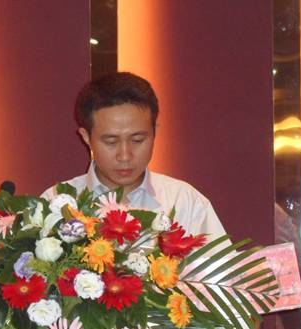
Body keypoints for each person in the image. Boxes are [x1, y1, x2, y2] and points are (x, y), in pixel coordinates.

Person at [42, 72, 226, 240]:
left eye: (137, 140)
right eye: (111, 141)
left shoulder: (185, 203)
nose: (125, 155)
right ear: (86, 137)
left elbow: (222, 266)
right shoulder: (55, 203)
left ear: (155, 132)